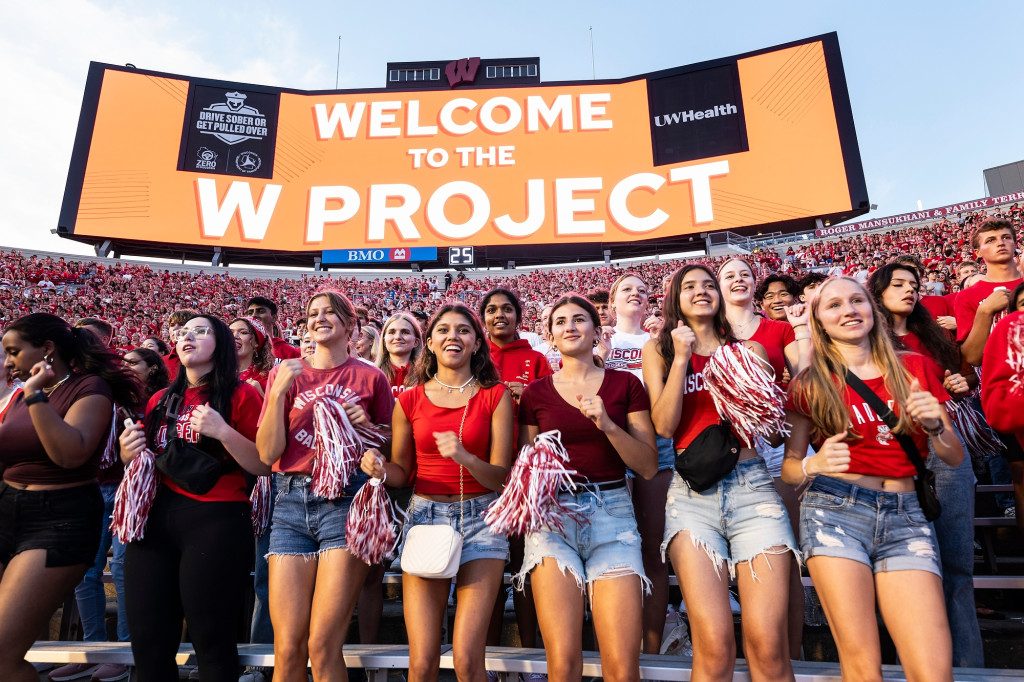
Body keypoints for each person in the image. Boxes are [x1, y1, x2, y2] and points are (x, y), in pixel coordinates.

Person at [781, 276, 963, 681]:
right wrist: (816, 464)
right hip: (835, 513)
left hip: (907, 516)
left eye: (856, 300)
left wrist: (935, 426)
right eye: (833, 306)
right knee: (862, 666)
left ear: (872, 310)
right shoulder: (809, 383)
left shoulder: (915, 367)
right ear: (819, 323)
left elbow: (953, 455)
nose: (847, 310)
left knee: (933, 670)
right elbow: (790, 468)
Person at [643, 265, 797, 681]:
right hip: (691, 499)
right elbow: (664, 425)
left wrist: (744, 386)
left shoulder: (751, 352)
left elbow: (770, 432)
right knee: (713, 646)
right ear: (675, 298)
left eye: (709, 285)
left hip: (753, 489)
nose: (701, 291)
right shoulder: (657, 351)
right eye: (689, 286)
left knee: (768, 646)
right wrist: (681, 359)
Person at [361, 303, 513, 682]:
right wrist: (380, 469)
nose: (453, 337)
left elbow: (501, 478)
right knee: (423, 661)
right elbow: (402, 474)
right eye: (443, 330)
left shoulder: (496, 396)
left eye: (463, 330)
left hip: (482, 521)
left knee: (466, 659)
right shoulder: (409, 400)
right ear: (428, 342)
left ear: (478, 343)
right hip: (425, 517)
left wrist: (465, 457)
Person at [118, 315, 266, 682]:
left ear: (221, 345)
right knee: (148, 641)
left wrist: (223, 431)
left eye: (200, 331)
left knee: (211, 638)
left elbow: (262, 464)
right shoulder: (160, 398)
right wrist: (127, 453)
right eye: (183, 332)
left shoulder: (243, 393)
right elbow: (148, 460)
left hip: (217, 518)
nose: (187, 337)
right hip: (156, 518)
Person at [516, 294, 657, 682]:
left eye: (580, 319)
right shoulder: (535, 393)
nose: (570, 327)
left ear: (597, 331)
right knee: (562, 665)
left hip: (613, 514)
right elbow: (525, 470)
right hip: (552, 519)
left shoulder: (625, 384)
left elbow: (646, 465)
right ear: (550, 335)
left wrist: (608, 425)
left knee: (622, 666)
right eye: (560, 322)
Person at [257, 291, 394, 682]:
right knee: (287, 648)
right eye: (312, 314)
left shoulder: (371, 376)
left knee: (322, 644)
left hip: (345, 500)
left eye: (329, 313)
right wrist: (279, 391)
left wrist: (364, 426)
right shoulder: (284, 372)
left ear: (350, 325)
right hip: (290, 501)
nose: (319, 319)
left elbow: (391, 443)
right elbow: (267, 453)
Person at [0, 313, 143, 682]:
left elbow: (70, 454)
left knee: (2, 654)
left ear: (47, 349)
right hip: (6, 509)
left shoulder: (89, 388)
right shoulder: (19, 394)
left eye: (14, 352)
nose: (8, 362)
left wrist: (34, 396)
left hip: (57, 521)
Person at [867, 262, 984, 667]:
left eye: (914, 285)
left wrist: (960, 383)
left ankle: (968, 669)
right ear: (877, 291)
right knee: (909, 573)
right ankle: (915, 668)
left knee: (956, 569)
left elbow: (965, 378)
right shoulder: (863, 341)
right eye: (898, 284)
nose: (909, 290)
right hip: (893, 455)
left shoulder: (933, 337)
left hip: (944, 451)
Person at [717, 257, 810, 659]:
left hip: (771, 448)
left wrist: (804, 330)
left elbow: (805, 380)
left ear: (754, 285)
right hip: (720, 453)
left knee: (783, 558)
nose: (738, 280)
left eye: (745, 274)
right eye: (728, 275)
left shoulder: (779, 328)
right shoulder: (710, 329)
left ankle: (791, 657)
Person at [596, 272, 672, 654]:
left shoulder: (657, 341)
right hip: (606, 439)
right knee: (612, 547)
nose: (636, 294)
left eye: (643, 290)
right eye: (627, 288)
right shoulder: (598, 339)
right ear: (612, 301)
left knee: (653, 546)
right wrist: (602, 355)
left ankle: (653, 649)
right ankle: (614, 648)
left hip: (654, 440)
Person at [479, 288, 553, 658]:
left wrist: (527, 397)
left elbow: (553, 411)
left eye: (507, 309)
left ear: (518, 316)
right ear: (483, 318)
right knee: (486, 571)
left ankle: (531, 656)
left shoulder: (536, 359)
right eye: (491, 310)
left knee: (526, 568)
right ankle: (489, 656)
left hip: (524, 478)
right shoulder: (474, 357)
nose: (499, 315)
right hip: (482, 476)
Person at [376, 312, 423, 398]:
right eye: (392, 332)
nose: (397, 337)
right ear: (384, 341)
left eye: (405, 332)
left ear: (416, 342)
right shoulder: (371, 375)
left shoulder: (427, 374)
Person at [229, 317, 274, 397]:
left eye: (243, 332)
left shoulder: (268, 379)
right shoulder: (213, 372)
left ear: (256, 342)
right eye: (229, 332)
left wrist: (259, 393)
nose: (234, 336)